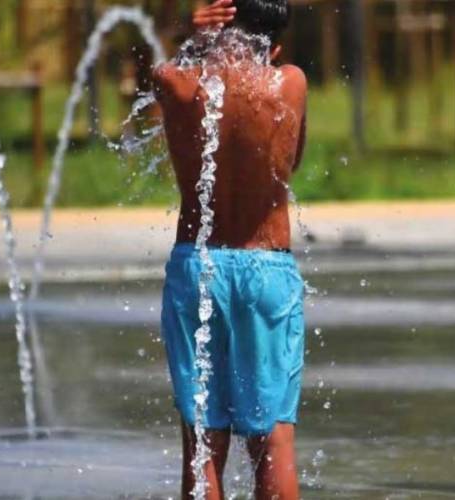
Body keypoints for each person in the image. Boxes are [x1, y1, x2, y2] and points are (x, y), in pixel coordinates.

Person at [154, 0, 307, 498]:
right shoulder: (291, 84)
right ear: (274, 44)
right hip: (267, 269)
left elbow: (154, 68)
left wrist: (188, 37)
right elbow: (293, 161)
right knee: (273, 440)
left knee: (203, 443)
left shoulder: (181, 85)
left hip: (197, 268)